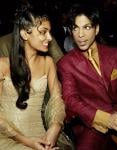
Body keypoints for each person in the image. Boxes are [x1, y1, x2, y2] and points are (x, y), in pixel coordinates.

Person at [57, 3, 117, 150]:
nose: (80, 34)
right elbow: (71, 100)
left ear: (97, 29)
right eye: (76, 28)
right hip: (94, 123)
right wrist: (105, 119)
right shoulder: (65, 64)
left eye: (87, 27)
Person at [0, 3, 73, 150]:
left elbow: (57, 101)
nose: (49, 37)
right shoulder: (2, 65)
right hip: (8, 136)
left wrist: (55, 127)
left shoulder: (48, 63)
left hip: (41, 136)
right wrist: (28, 142)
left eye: (49, 32)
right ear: (25, 33)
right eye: (43, 32)